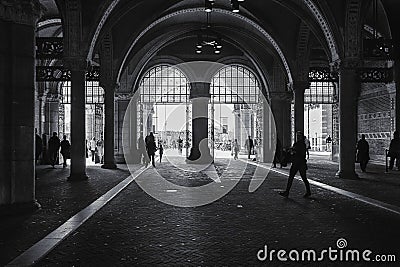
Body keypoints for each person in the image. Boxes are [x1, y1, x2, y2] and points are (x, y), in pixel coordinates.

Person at [279, 131, 311, 198]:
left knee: (301, 178)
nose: (298, 137)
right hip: (298, 163)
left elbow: (301, 153)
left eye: (299, 136)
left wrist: (293, 151)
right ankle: (287, 192)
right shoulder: (299, 144)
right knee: (294, 177)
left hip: (299, 163)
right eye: (297, 136)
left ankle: (308, 191)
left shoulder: (301, 144)